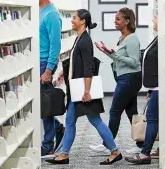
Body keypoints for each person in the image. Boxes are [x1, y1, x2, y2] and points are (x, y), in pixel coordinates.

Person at [45, 9, 122, 165]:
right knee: (70, 121)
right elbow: (75, 62)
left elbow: (88, 68)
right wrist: (63, 74)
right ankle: (64, 154)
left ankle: (115, 151)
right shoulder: (79, 38)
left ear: (83, 21)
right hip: (77, 89)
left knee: (95, 121)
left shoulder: (85, 41)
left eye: (74, 18)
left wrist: (87, 91)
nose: (72, 21)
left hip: (83, 90)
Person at [91, 7, 143, 154]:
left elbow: (134, 62)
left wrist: (114, 54)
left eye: (118, 19)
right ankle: (141, 144)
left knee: (115, 111)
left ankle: (107, 144)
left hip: (129, 79)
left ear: (127, 21)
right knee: (132, 112)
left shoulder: (132, 38)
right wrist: (106, 52)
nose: (115, 22)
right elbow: (119, 59)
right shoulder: (122, 38)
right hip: (125, 78)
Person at [125, 15, 160, 164]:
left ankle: (145, 154)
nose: (153, 20)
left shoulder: (164, 39)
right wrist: (151, 88)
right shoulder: (159, 38)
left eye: (155, 18)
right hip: (156, 87)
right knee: (156, 119)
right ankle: (156, 150)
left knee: (152, 118)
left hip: (161, 87)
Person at [39, 0, 65, 156]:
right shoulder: (38, 11)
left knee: (45, 106)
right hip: (36, 63)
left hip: (44, 63)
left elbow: (55, 45)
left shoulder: (51, 15)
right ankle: (57, 127)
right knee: (42, 105)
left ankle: (48, 144)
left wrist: (49, 70)